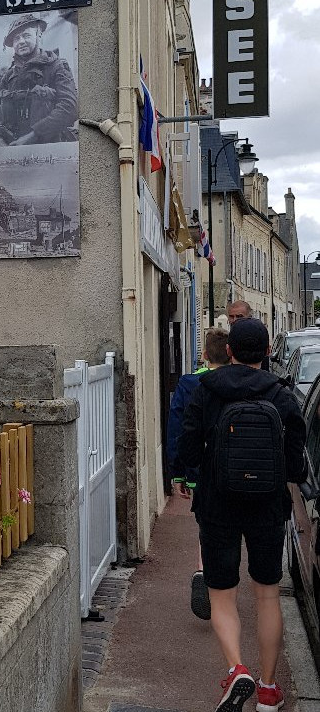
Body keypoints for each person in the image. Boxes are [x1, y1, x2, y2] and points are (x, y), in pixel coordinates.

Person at [179, 318, 307, 712]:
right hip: (268, 505)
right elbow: (296, 461)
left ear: (230, 351)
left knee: (222, 596)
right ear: (268, 351)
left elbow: (188, 449)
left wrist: (192, 476)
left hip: (218, 505)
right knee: (267, 594)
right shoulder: (283, 395)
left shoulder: (207, 390)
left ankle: (237, 670)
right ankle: (268, 690)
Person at [168, 328, 230, 620]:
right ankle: (227, 585)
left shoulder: (190, 383)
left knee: (207, 525)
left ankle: (205, 571)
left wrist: (178, 472)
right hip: (235, 470)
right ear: (230, 354)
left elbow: (178, 428)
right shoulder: (241, 383)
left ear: (204, 354)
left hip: (200, 470)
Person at [0, 13, 78, 146]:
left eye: (26, 35)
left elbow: (70, 107)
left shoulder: (57, 66)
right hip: (13, 149)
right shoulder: (8, 76)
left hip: (51, 146)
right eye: (16, 38)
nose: (21, 41)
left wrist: (33, 135)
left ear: (38, 35)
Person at [227, 300, 270, 370]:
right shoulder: (227, 337)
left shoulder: (259, 334)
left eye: (239, 316)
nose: (234, 320)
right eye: (231, 316)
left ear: (249, 316)